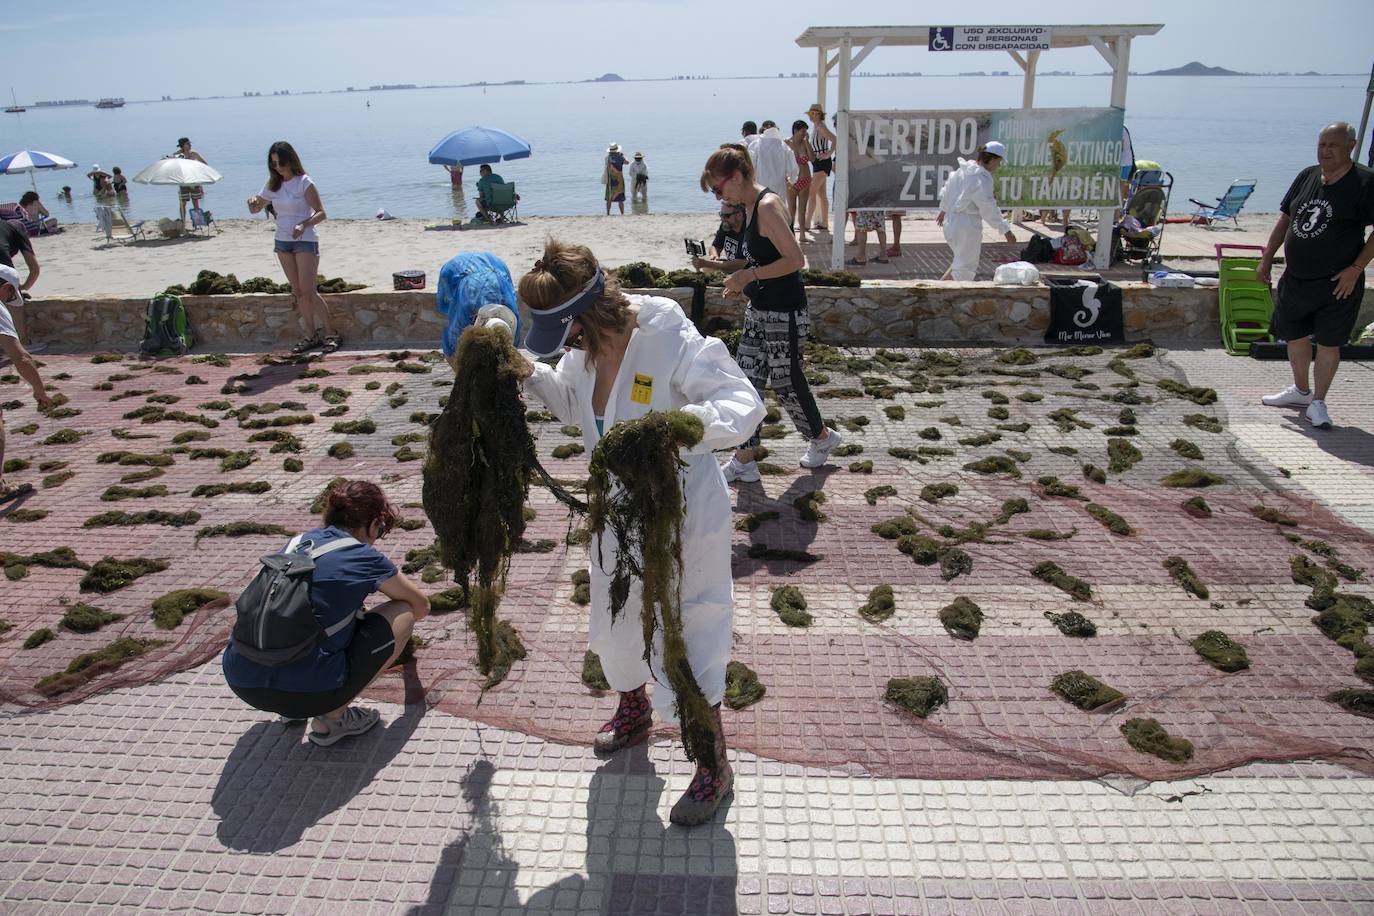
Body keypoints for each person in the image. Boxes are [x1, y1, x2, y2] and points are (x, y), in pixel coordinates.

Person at [517, 238, 765, 826]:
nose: (569, 344)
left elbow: (743, 403)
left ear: (591, 311)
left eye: (570, 330)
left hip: (683, 515)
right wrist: (526, 372)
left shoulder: (665, 333)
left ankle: (712, 765)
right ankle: (634, 709)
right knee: (616, 620)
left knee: (691, 630)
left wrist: (676, 427)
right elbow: (571, 403)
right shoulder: (583, 354)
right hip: (615, 513)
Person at [221, 479, 430, 746]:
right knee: (403, 612)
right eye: (380, 529)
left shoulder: (296, 543)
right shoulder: (363, 556)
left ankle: (291, 712)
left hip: (242, 681)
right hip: (310, 692)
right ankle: (331, 719)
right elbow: (421, 606)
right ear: (374, 523)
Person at [701, 144, 842, 483]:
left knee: (786, 381)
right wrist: (740, 279)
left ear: (737, 177)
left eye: (719, 189)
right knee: (747, 382)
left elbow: (795, 260)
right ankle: (744, 460)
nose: (719, 197)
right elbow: (762, 258)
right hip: (759, 308)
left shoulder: (766, 206)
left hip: (785, 311)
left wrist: (747, 276)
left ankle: (822, 438)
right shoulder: (749, 206)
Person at [1259, 122, 1374, 430]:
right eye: (1322, 144)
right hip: (1297, 277)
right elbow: (1285, 218)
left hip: (1338, 282)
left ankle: (1319, 402)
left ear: (1350, 146)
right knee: (1294, 336)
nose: (1325, 151)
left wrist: (1356, 269)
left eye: (1333, 145)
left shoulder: (1365, 182)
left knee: (1328, 343)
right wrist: (1267, 258)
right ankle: (1301, 391)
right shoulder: (1307, 175)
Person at [246, 140, 341, 355]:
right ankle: (310, 334)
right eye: (274, 164)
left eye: (281, 163)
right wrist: (251, 203)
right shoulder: (272, 185)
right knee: (298, 291)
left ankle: (331, 332)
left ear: (290, 160)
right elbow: (256, 208)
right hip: (282, 242)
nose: (278, 168)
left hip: (305, 240)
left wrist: (303, 224)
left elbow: (321, 213)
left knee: (309, 291)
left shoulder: (304, 182)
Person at [938, 141, 1017, 281]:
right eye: (999, 162)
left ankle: (938, 290)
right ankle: (939, 293)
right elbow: (988, 208)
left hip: (951, 222)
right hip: (966, 225)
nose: (998, 166)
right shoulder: (981, 177)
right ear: (992, 160)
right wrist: (1006, 230)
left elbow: (947, 190)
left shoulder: (963, 170)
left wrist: (944, 210)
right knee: (965, 268)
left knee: (960, 263)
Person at [435, 250, 521, 360]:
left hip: (495, 267)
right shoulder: (466, 315)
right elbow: (446, 308)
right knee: (454, 345)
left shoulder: (511, 319)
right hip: (458, 270)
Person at [0, 217, 40, 350]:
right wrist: (22, 288)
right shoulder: (17, 231)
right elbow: (34, 269)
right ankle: (23, 343)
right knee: (14, 302)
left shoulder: (4, 229)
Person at [753, 121, 797, 221]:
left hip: (761, 185)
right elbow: (793, 168)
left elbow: (750, 164)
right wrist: (792, 180)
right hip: (779, 186)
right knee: (778, 212)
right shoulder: (783, 145)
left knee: (761, 212)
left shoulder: (757, 144)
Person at [691, 202, 748, 273]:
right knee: (708, 268)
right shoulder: (727, 225)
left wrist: (708, 264)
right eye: (721, 215)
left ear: (739, 215)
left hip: (748, 271)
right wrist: (714, 256)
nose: (722, 219)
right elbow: (715, 246)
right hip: (733, 266)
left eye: (726, 216)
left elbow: (740, 264)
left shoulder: (748, 232)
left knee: (708, 266)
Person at [806, 104, 836, 231]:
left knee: (812, 192)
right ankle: (824, 222)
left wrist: (828, 153)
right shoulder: (817, 126)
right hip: (819, 162)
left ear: (818, 114)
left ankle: (807, 223)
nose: (810, 116)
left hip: (822, 162)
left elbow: (834, 139)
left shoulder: (820, 127)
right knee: (821, 193)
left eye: (812, 113)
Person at [785, 121, 814, 241]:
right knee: (791, 208)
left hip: (804, 179)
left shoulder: (805, 143)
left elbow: (812, 158)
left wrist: (807, 142)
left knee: (802, 209)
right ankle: (790, 234)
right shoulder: (786, 143)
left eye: (806, 131)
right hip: (791, 181)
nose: (805, 133)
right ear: (796, 130)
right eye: (803, 131)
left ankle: (802, 234)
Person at [174, 137, 208, 222]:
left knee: (195, 202)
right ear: (182, 146)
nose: (190, 145)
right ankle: (183, 222)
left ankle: (197, 222)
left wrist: (197, 169)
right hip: (183, 181)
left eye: (190, 143)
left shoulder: (194, 154)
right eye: (187, 144)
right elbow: (173, 168)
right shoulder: (177, 155)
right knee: (183, 203)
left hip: (194, 181)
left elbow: (205, 164)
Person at [602, 142, 627, 215]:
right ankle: (622, 213)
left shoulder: (607, 158)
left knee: (609, 198)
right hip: (619, 179)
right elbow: (627, 162)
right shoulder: (620, 158)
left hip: (610, 180)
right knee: (620, 199)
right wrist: (623, 155)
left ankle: (608, 213)